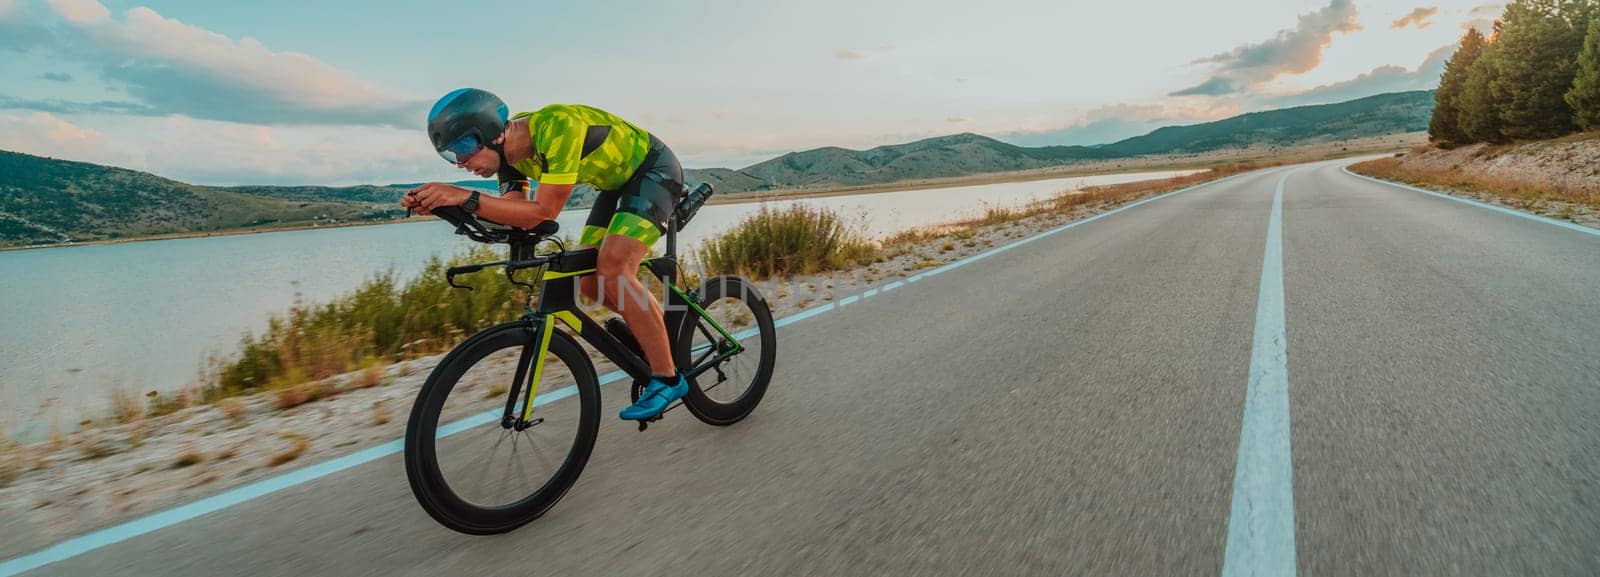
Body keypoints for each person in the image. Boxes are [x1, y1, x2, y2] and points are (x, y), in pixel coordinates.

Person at [403, 88, 687, 421]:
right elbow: (514, 209)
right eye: (451, 156)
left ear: (492, 134)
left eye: (463, 148)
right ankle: (652, 334)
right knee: (589, 285)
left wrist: (462, 195)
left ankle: (668, 377)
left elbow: (543, 213)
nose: (462, 163)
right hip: (615, 186)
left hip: (653, 171)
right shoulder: (508, 157)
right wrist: (447, 205)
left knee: (613, 268)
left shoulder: (556, 127)